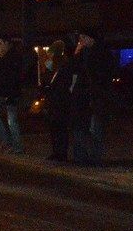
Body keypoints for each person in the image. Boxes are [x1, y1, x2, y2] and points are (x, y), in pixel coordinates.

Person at [69, 27, 112, 166]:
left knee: (95, 127)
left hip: (95, 95)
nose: (80, 41)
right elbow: (74, 69)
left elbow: (102, 74)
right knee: (81, 127)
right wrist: (76, 54)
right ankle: (82, 157)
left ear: (90, 38)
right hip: (83, 95)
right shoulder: (83, 53)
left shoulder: (100, 53)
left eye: (83, 38)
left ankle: (95, 157)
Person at [0, 37, 24, 154]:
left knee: (12, 120)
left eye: (0, 43)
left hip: (10, 92)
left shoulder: (14, 57)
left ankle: (17, 147)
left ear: (7, 43)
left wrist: (10, 92)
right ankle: (6, 141)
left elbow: (15, 77)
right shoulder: (0, 57)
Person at [42, 38, 73, 161]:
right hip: (55, 100)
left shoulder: (62, 65)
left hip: (59, 100)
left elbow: (60, 83)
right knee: (55, 127)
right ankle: (57, 152)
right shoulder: (53, 65)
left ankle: (61, 153)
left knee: (60, 127)